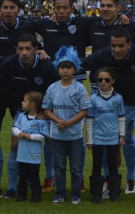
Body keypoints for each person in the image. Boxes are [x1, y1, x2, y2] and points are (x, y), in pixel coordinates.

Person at [83, 27, 135, 201]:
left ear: (130, 44)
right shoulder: (104, 55)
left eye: (121, 46)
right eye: (113, 46)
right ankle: (112, 184)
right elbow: (82, 64)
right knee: (113, 144)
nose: (117, 50)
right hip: (119, 103)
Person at [0, 33, 57, 199]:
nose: (24, 52)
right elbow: (3, 90)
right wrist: (19, 112)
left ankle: (50, 181)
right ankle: (12, 188)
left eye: (28, 49)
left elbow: (52, 92)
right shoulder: (7, 64)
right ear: (16, 49)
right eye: (21, 49)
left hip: (43, 113)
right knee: (15, 145)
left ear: (36, 49)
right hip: (20, 111)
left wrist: (43, 112)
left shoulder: (46, 66)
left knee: (49, 144)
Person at [42, 45, 92, 204]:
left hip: (75, 136)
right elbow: (47, 109)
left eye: (68, 67)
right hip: (57, 135)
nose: (65, 70)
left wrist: (68, 123)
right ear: (57, 69)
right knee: (59, 167)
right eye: (62, 67)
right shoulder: (52, 88)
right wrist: (57, 121)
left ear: (75, 69)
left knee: (76, 168)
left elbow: (84, 111)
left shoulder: (80, 88)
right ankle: (60, 194)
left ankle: (76, 195)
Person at [86, 67, 125, 202]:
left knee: (112, 166)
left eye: (107, 80)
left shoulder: (118, 98)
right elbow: (89, 120)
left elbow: (121, 118)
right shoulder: (92, 99)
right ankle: (96, 194)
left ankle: (114, 194)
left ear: (112, 81)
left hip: (113, 138)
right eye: (100, 80)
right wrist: (89, 139)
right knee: (96, 166)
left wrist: (122, 136)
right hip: (97, 139)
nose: (103, 82)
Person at [12, 91, 49, 202]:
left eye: (24, 101)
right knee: (22, 176)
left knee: (34, 176)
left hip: (34, 155)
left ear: (32, 104)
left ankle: (35, 197)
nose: (22, 103)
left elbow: (43, 136)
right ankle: (21, 196)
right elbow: (14, 128)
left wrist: (31, 137)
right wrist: (19, 133)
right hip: (22, 154)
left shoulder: (41, 120)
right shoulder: (21, 117)